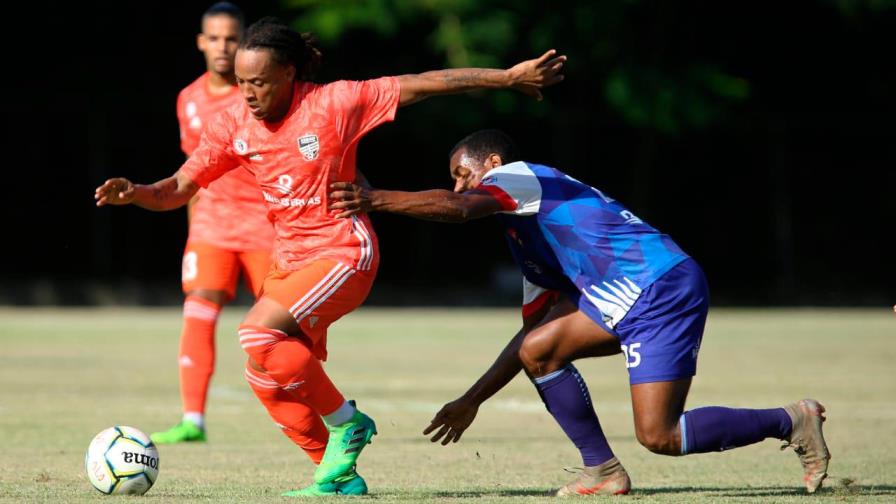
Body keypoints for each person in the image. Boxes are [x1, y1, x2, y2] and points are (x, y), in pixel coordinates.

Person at [95, 19, 566, 496]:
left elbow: (426, 83)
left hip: (343, 251)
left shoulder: (333, 103)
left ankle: (348, 422)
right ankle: (335, 472)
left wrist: (506, 78)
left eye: (258, 82)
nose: (248, 93)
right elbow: (177, 188)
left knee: (257, 333)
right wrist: (136, 192)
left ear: (289, 75)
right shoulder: (232, 124)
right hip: (290, 261)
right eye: (240, 83)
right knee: (264, 373)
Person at [327, 129, 831, 495]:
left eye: (463, 174)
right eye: (455, 180)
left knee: (659, 435)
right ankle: (604, 470)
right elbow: (530, 342)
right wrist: (471, 400)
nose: (460, 187)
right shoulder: (529, 242)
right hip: (632, 298)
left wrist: (374, 200)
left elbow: (458, 210)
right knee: (550, 356)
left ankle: (791, 421)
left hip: (659, 286)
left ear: (492, 161)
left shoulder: (521, 178)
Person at [148, 2, 279, 448]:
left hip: (268, 223)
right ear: (201, 42)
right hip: (212, 225)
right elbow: (192, 174)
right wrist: (193, 230)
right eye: (215, 38)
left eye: (232, 38)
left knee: (283, 326)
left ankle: (307, 410)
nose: (223, 47)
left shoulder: (261, 93)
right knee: (198, 309)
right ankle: (192, 420)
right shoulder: (188, 100)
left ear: (244, 42)